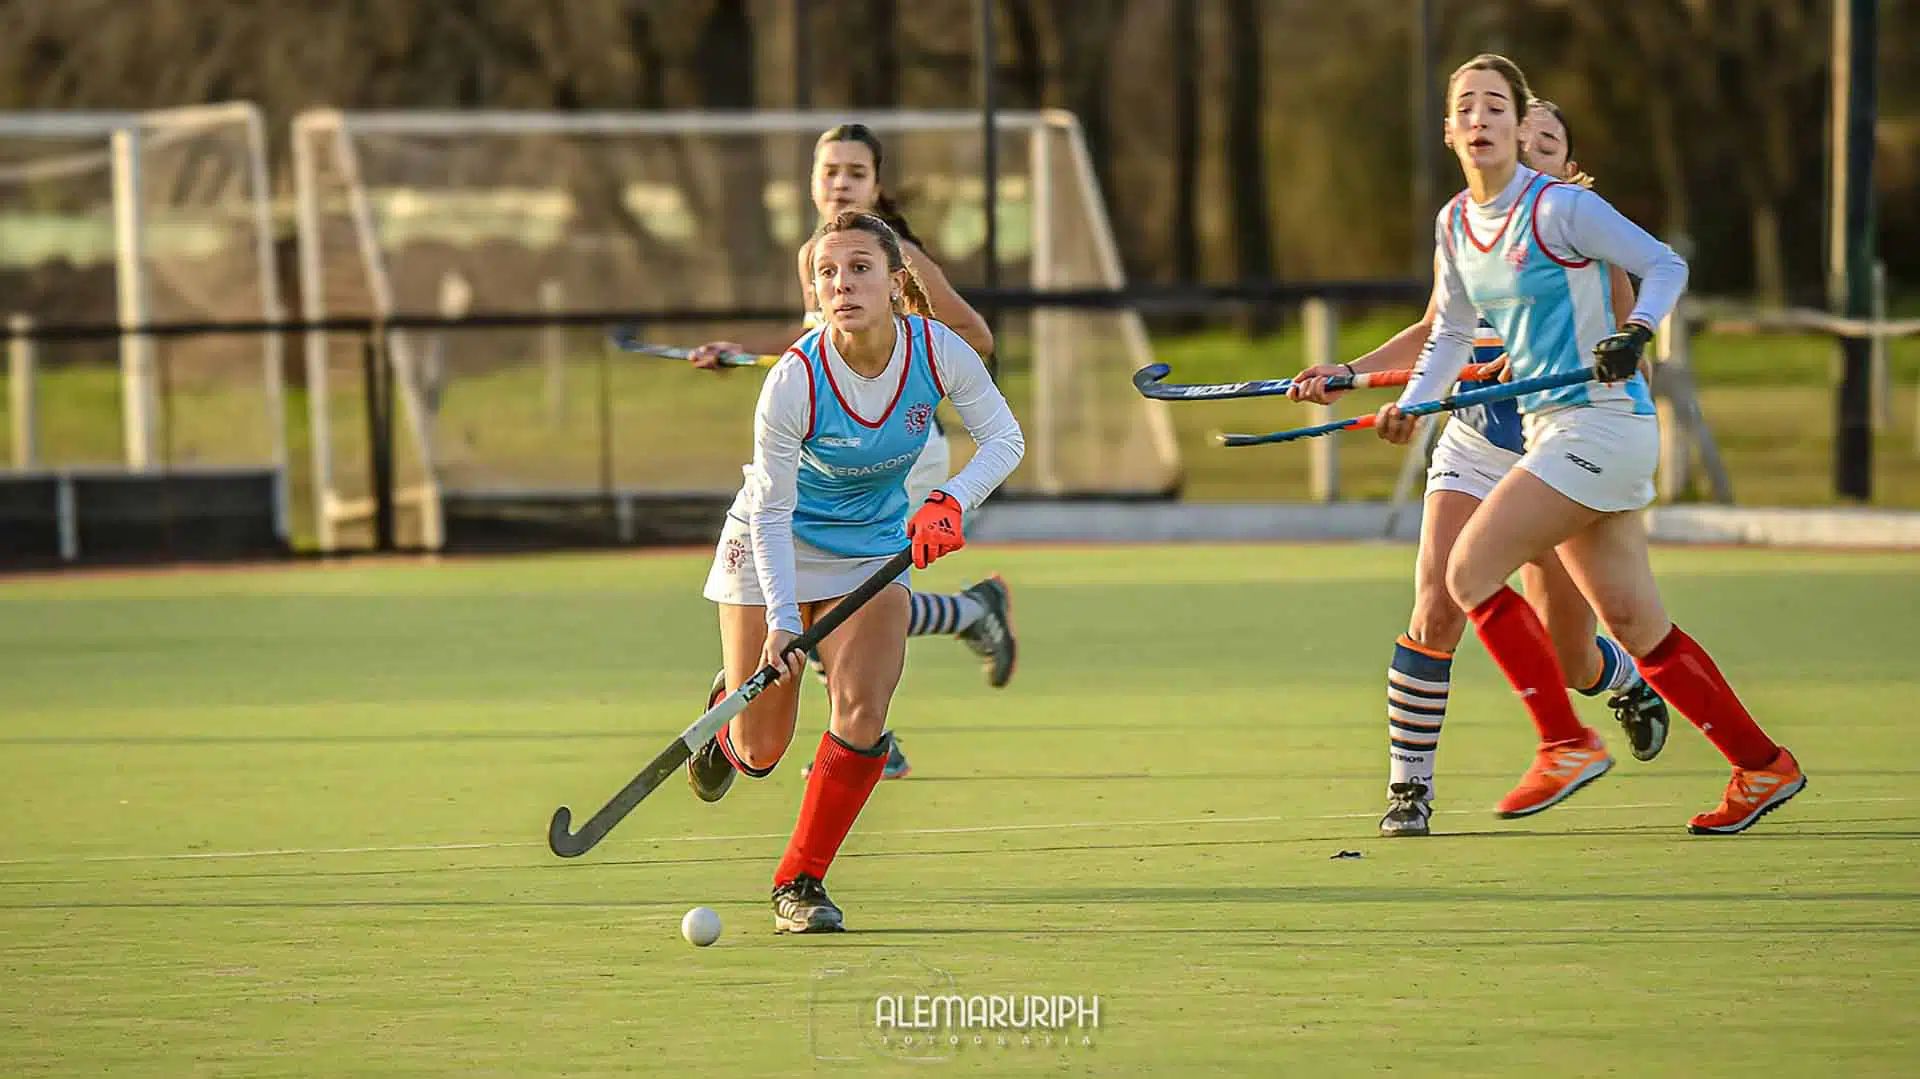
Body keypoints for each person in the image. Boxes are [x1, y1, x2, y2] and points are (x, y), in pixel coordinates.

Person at [1380, 54, 1803, 834]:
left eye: (1496, 106)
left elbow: (1664, 264)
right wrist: (1413, 403)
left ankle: (1565, 742)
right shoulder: (1456, 224)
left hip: (1600, 426)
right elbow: (1449, 334)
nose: (1480, 119)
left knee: (1468, 570)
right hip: (1558, 431)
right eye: (1466, 107)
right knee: (1638, 626)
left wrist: (1637, 330)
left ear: (1518, 126)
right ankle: (1762, 765)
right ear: (1447, 131)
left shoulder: (1561, 208)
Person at [1289, 99, 1668, 838]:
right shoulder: (1467, 228)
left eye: (1545, 143)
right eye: (1518, 139)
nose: (1526, 151)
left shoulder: (1591, 242)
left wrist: (1544, 362)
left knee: (1568, 658)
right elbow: (1437, 331)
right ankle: (1409, 787)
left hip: (1559, 456)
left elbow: (1627, 364)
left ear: (1568, 168)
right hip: (1477, 448)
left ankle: (1619, 677)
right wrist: (1349, 372)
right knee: (1435, 608)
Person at [690, 210, 1023, 931]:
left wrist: (950, 500)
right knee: (761, 750)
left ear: (897, 283)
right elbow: (771, 512)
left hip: (870, 545)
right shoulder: (795, 379)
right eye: (828, 273)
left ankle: (800, 881)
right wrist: (783, 623)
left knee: (864, 710)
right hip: (773, 541)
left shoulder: (936, 350)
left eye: (860, 269)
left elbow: (1004, 438)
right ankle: (727, 726)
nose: (842, 283)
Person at [692, 123, 1018, 780]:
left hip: (903, 450)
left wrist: (914, 354)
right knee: (829, 598)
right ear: (811, 182)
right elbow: (818, 346)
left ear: (877, 184)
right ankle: (962, 618)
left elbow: (975, 337)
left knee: (858, 597)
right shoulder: (818, 254)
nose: (840, 183)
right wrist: (746, 355)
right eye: (829, 170)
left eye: (855, 172)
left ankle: (865, 727)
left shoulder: (898, 254)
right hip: (836, 452)